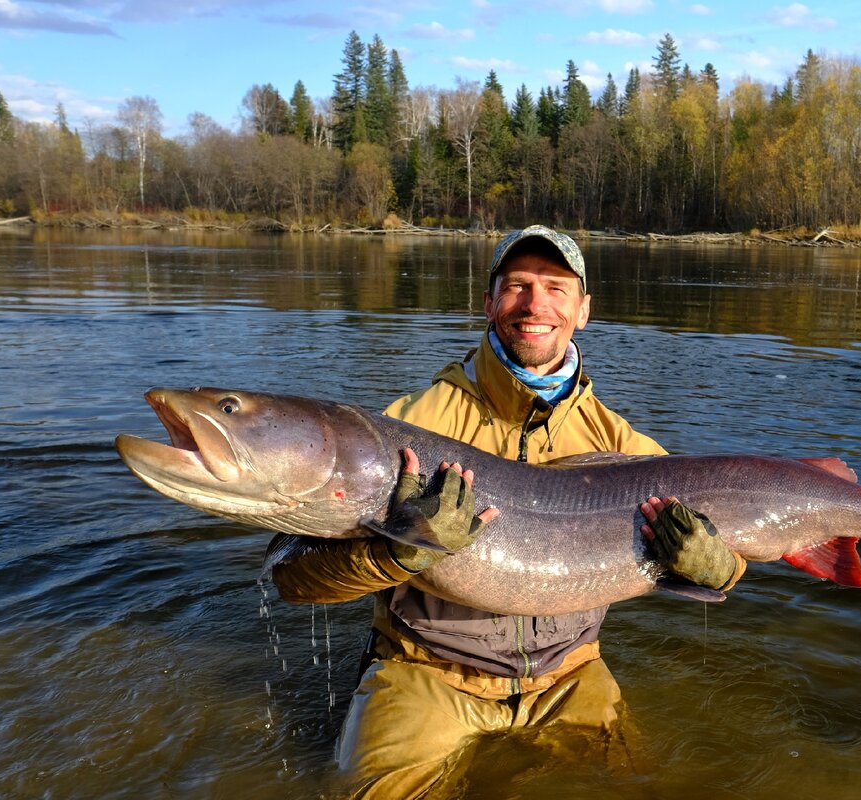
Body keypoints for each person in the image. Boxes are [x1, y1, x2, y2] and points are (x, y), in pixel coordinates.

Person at [269, 225, 746, 798]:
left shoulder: (627, 447)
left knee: (641, 788)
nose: (535, 304)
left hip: (569, 675)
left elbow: (723, 549)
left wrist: (721, 570)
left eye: (556, 288)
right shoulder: (405, 430)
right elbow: (293, 578)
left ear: (583, 309)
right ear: (489, 301)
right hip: (425, 670)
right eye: (517, 285)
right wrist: (398, 549)